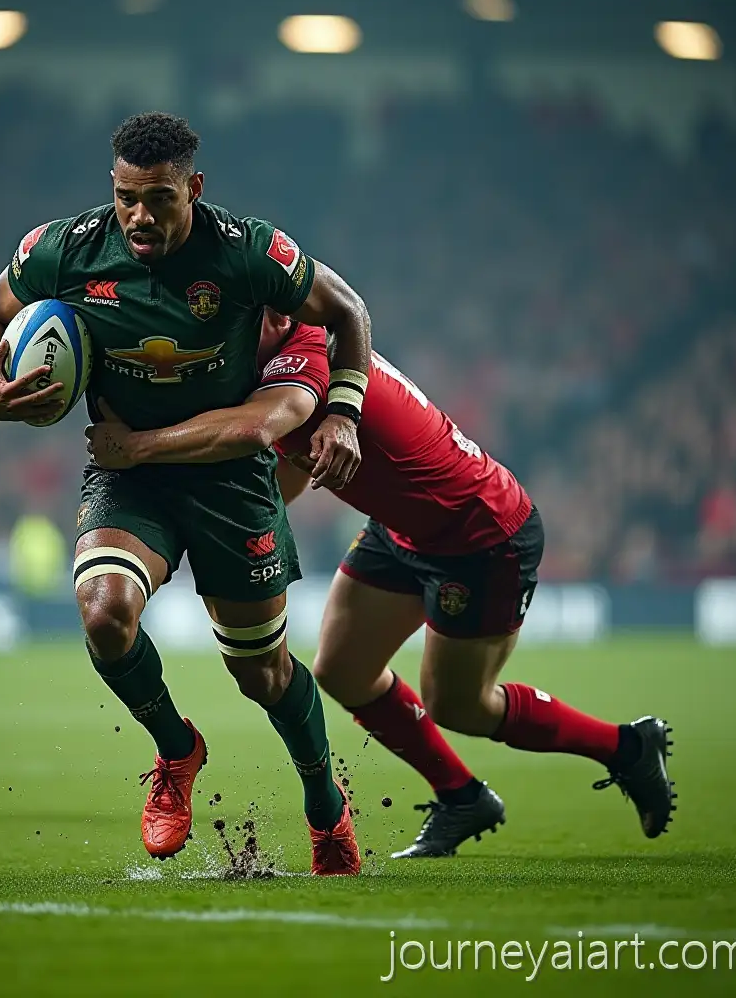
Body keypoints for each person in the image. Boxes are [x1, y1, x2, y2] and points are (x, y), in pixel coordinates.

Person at [88, 312, 676, 858]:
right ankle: (462, 797)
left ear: (275, 316)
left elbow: (259, 430)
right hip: (402, 529)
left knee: (459, 704)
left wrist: (141, 453)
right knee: (342, 670)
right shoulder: (279, 361)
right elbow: (290, 466)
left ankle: (626, 747)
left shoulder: (305, 359)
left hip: (479, 534)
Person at [0, 112, 372, 875]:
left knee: (262, 674)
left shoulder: (247, 251)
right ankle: (176, 750)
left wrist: (344, 412)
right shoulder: (66, 248)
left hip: (228, 481)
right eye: (127, 198)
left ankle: (325, 804)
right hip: (129, 478)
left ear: (195, 188)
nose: (141, 216)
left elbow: (347, 312)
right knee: (104, 614)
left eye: (159, 198)